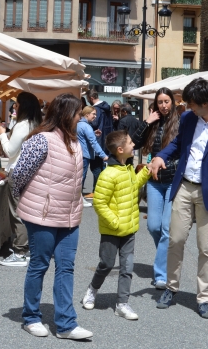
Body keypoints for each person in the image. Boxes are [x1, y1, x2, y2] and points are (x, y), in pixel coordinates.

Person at [148, 78, 208, 318]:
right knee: (175, 240)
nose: (188, 108)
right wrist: (161, 156)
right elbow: (178, 144)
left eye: (191, 104)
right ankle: (171, 287)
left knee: (205, 247)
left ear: (204, 102)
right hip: (184, 187)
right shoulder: (189, 119)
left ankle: (204, 298)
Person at [11, 94, 92, 340]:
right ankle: (31, 317)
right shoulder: (41, 140)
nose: (81, 117)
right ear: (67, 114)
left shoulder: (75, 141)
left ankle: (66, 324)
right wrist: (30, 202)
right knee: (39, 265)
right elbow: (18, 175)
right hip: (42, 216)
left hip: (69, 216)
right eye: (78, 113)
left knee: (66, 267)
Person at [81, 130, 150, 320]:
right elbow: (99, 202)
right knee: (106, 264)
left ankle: (122, 303)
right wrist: (115, 222)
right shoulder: (108, 174)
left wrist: (146, 171)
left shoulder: (127, 169)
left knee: (127, 267)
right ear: (120, 150)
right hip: (112, 230)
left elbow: (134, 185)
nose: (133, 145)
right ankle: (92, 289)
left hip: (129, 229)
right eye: (129, 143)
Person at [132, 88, 180, 289]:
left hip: (172, 180)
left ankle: (161, 274)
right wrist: (147, 122)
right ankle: (166, 256)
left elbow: (183, 150)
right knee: (153, 226)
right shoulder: (152, 123)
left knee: (167, 228)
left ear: (172, 102)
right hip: (153, 181)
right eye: (160, 102)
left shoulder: (179, 123)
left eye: (167, 101)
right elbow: (134, 142)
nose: (163, 105)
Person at [0, 92, 43, 267]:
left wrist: (2, 134)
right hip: (31, 172)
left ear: (24, 106)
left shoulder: (23, 125)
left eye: (17, 104)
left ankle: (20, 252)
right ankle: (27, 249)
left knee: (17, 212)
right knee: (26, 211)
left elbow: (10, 152)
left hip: (18, 171)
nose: (14, 106)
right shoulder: (37, 124)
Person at [77, 106, 108, 206]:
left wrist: (93, 133)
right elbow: (93, 143)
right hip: (85, 155)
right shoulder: (87, 126)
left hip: (79, 153)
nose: (95, 116)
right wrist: (103, 156)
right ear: (87, 114)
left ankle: (78, 197)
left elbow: (83, 137)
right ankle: (79, 199)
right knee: (82, 177)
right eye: (93, 114)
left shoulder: (79, 124)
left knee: (79, 177)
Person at [85, 89, 113, 196]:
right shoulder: (107, 108)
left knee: (96, 167)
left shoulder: (96, 109)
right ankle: (101, 190)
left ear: (91, 98)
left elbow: (94, 123)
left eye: (88, 99)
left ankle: (97, 190)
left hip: (97, 141)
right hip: (105, 142)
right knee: (101, 167)